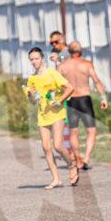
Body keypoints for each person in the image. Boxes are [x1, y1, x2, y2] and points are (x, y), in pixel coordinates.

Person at [24, 47, 80, 189]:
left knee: (57, 145)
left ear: (42, 59)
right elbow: (33, 101)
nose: (34, 61)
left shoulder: (52, 73)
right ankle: (56, 179)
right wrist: (30, 95)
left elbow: (70, 88)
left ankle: (72, 164)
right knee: (46, 147)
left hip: (57, 113)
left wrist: (60, 101)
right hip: (43, 115)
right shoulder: (31, 79)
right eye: (32, 59)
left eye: (37, 58)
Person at [58, 41, 108, 170]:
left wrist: (59, 100)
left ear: (69, 51)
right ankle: (86, 158)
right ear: (81, 51)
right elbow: (96, 81)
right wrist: (103, 98)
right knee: (91, 130)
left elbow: (56, 85)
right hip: (84, 100)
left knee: (73, 132)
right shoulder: (86, 64)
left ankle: (78, 159)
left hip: (70, 100)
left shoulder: (63, 66)